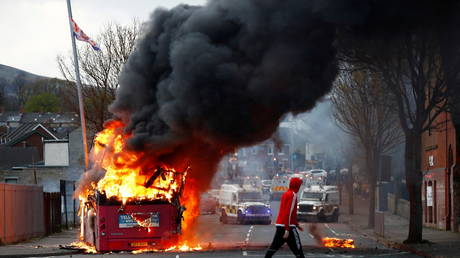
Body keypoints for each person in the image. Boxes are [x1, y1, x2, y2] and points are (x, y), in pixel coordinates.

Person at [265, 177, 304, 258]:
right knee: (298, 250)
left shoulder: (286, 194)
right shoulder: (293, 195)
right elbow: (288, 213)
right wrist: (287, 229)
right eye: (299, 185)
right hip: (288, 227)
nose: (300, 187)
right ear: (297, 186)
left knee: (273, 248)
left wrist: (296, 224)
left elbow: (288, 213)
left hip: (280, 225)